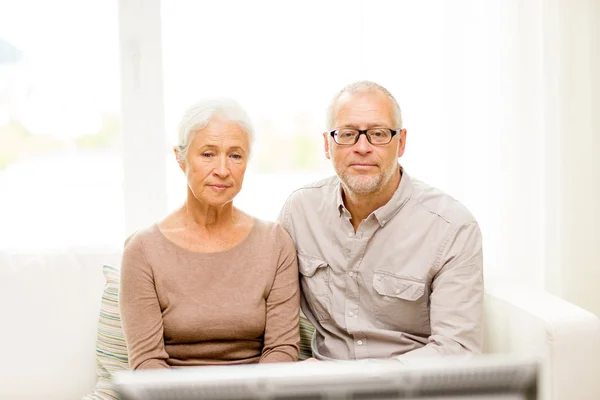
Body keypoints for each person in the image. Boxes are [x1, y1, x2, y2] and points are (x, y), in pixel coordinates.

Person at [278, 81, 483, 362]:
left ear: (401, 142)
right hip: (321, 384)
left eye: (378, 134)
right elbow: (275, 315)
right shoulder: (299, 212)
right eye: (347, 134)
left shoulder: (452, 227)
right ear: (327, 144)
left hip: (409, 389)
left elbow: (456, 350)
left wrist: (359, 381)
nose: (363, 147)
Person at [120, 98, 300, 369]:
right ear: (181, 159)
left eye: (235, 155)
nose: (223, 170)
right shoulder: (142, 250)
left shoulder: (275, 242)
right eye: (208, 154)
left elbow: (282, 349)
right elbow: (147, 363)